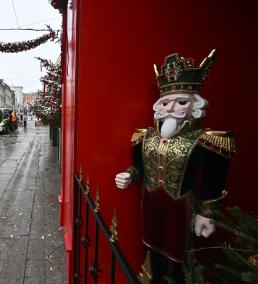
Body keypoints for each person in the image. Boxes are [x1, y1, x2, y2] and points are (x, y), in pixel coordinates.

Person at [114, 50, 235, 283]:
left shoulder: (206, 139)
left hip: (181, 206)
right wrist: (129, 175)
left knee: (177, 257)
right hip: (150, 202)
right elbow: (138, 166)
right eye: (166, 102)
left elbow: (213, 180)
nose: (170, 108)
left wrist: (206, 215)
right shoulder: (145, 136)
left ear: (195, 106)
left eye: (181, 102)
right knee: (152, 247)